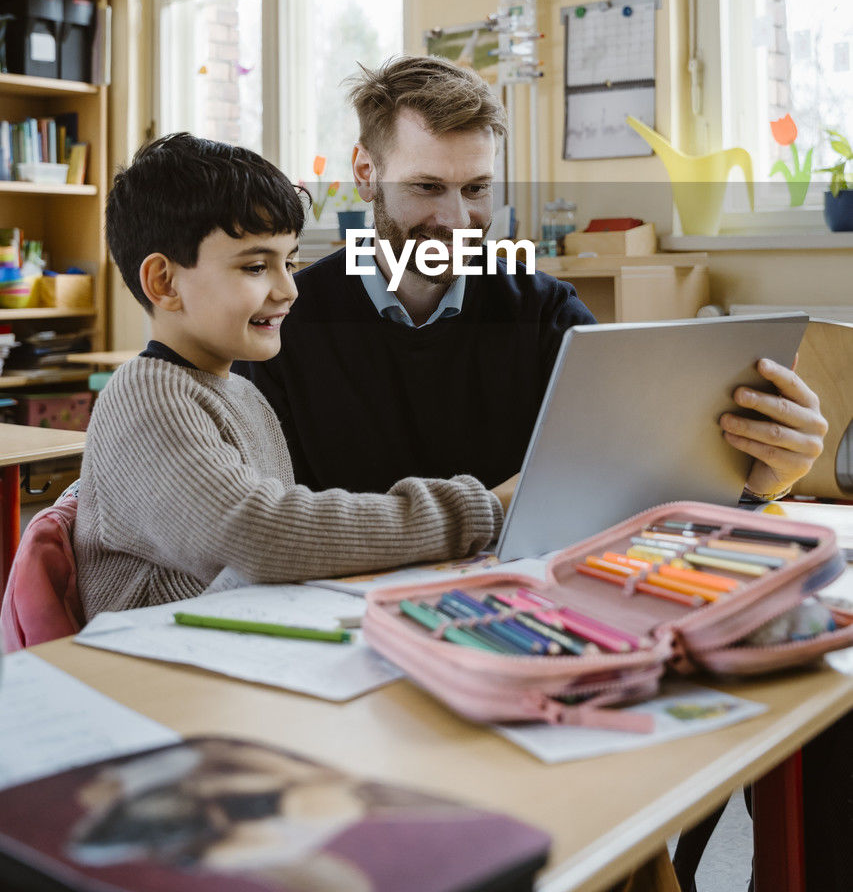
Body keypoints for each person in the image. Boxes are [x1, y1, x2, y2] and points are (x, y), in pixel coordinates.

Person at [243, 55, 827, 504]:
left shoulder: (545, 313)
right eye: (426, 188)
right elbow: (266, 522)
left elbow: (629, 478)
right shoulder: (281, 325)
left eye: (476, 189)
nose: (456, 219)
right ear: (367, 175)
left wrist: (759, 481)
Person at [73, 133, 513, 621]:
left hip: (240, 652)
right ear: (164, 282)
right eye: (258, 266)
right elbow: (260, 536)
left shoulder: (241, 392)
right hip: (153, 672)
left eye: (291, 261)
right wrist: (480, 508)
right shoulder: (146, 397)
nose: (289, 289)